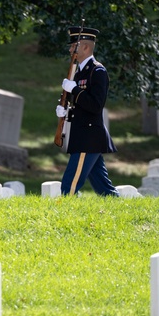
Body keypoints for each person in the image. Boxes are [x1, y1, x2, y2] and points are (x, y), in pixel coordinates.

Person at [56, 26, 119, 196]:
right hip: (82, 134)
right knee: (104, 188)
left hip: (88, 135)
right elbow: (80, 106)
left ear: (85, 47)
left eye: (73, 46)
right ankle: (122, 209)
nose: (70, 50)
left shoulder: (97, 71)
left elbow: (96, 105)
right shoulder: (79, 72)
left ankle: (65, 217)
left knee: (69, 185)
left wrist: (75, 90)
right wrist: (65, 111)